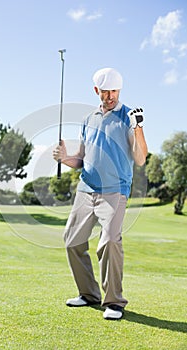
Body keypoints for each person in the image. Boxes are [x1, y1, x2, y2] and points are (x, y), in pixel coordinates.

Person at [53, 67, 148, 320]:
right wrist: (65, 158)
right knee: (72, 240)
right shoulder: (89, 118)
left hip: (115, 191)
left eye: (114, 92)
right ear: (97, 91)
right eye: (105, 92)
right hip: (86, 188)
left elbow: (139, 159)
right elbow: (82, 159)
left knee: (109, 242)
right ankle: (89, 294)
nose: (110, 97)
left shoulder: (128, 116)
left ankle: (114, 302)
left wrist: (138, 129)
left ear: (119, 90)